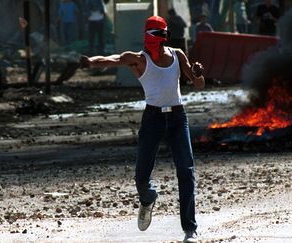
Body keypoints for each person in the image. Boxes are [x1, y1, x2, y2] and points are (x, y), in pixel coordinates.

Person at [80, 16, 204, 243]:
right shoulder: (138, 59)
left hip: (178, 117)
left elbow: (198, 84)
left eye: (161, 33)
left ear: (166, 35)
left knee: (186, 171)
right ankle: (148, 199)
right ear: (147, 34)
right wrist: (89, 62)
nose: (158, 38)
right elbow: (111, 59)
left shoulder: (178, 54)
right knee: (141, 176)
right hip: (153, 118)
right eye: (155, 33)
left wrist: (196, 73)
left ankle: (190, 229)